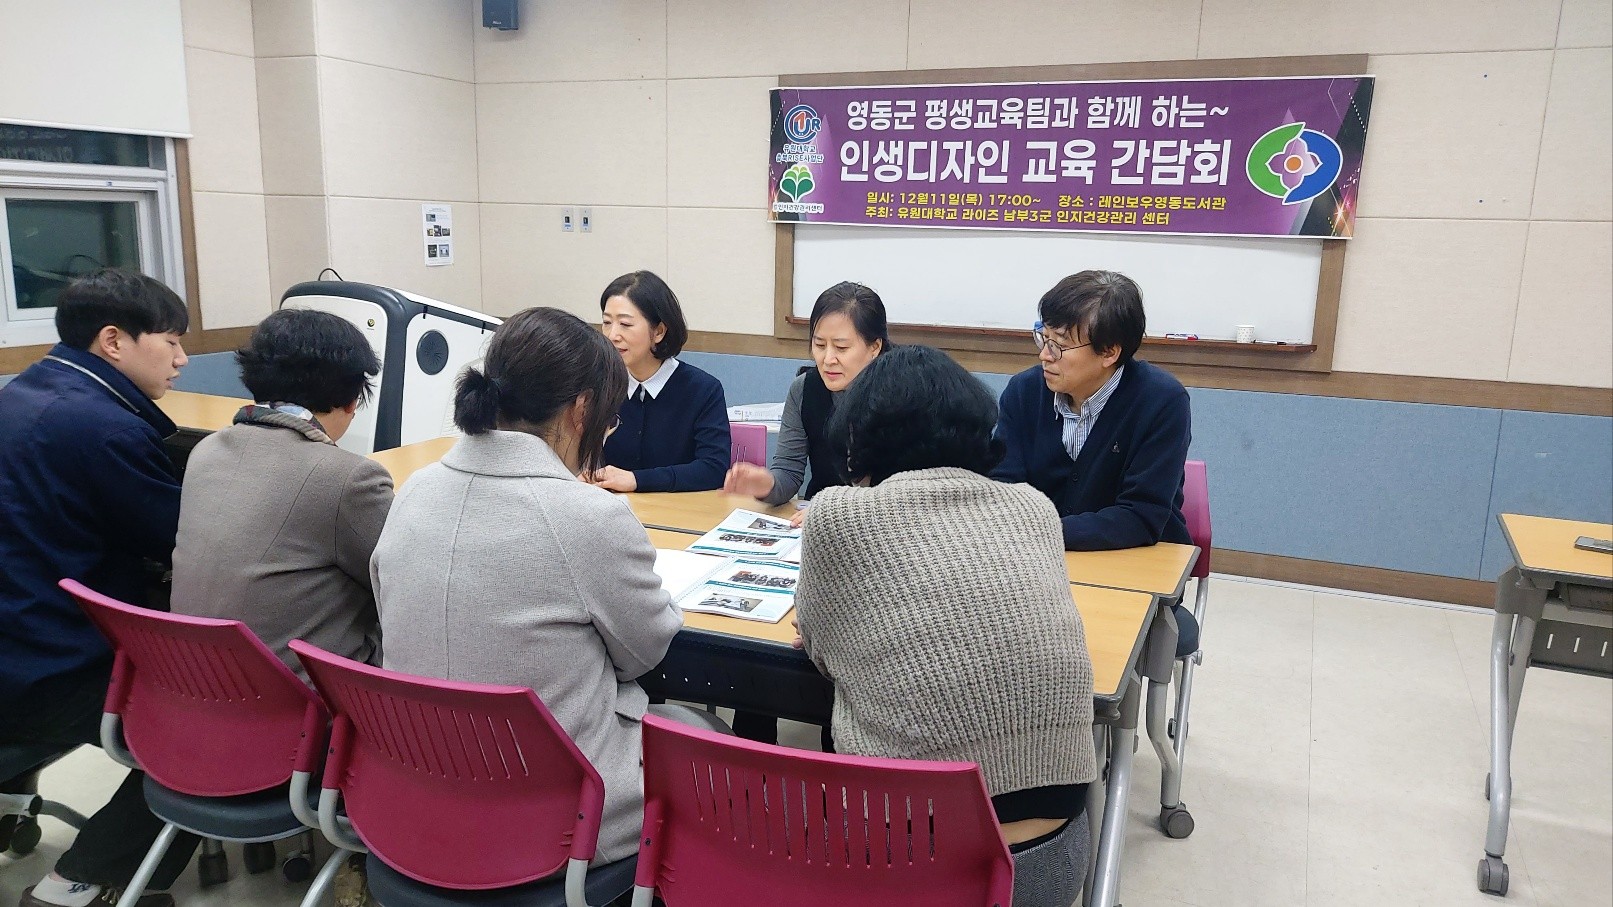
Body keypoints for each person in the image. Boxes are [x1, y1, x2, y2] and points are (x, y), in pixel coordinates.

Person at [371, 307, 727, 868]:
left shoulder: (414, 490)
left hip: (416, 793)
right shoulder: (586, 517)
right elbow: (645, 652)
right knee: (705, 733)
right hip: (556, 815)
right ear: (582, 409)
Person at [793, 345, 1096, 907]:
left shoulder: (838, 515)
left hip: (913, 870)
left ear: (862, 435)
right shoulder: (1033, 506)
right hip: (1056, 859)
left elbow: (818, 643)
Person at [0, 269, 200, 907]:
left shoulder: (21, 393)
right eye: (171, 341)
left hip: (16, 636)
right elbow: (179, 541)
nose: (182, 359)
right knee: (208, 741)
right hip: (51, 663)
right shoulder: (103, 427)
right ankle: (73, 887)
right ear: (113, 342)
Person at [171, 308, 392, 682]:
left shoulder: (205, 451)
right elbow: (403, 577)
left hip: (194, 680)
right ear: (353, 398)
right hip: (295, 696)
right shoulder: (349, 478)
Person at [992, 269, 1199, 656]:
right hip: (1039, 571)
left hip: (1132, 567)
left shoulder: (1162, 402)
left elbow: (1140, 516)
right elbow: (1003, 492)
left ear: (1109, 352)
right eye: (1043, 337)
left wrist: (1041, 532)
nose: (1044, 355)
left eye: (1060, 346)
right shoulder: (1024, 392)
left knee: (1103, 654)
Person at [722, 281, 888, 510]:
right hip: (814, 515)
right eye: (819, 345)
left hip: (880, 518)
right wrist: (766, 485)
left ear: (875, 347)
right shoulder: (804, 390)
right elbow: (788, 472)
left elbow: (907, 489)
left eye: (841, 348)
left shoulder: (901, 392)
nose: (828, 359)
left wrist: (835, 511)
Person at [591, 270, 730, 492]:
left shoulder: (703, 390)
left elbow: (713, 469)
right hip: (611, 506)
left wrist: (636, 480)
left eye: (625, 324)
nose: (612, 335)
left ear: (659, 331)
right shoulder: (600, 385)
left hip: (678, 509)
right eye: (607, 322)